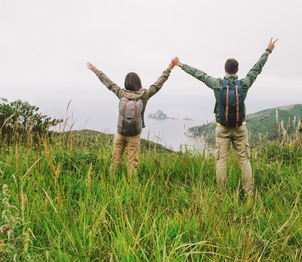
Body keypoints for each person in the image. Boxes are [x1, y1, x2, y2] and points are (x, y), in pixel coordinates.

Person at [171, 38, 278, 196]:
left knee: (222, 161)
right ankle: (249, 195)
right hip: (240, 128)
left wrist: (180, 64)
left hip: (222, 129)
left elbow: (199, 74)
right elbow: (256, 69)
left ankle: (221, 196)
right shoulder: (244, 84)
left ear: (225, 70)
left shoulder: (217, 84)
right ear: (237, 70)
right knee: (245, 161)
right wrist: (267, 51)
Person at [86, 61, 175, 177]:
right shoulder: (144, 95)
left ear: (126, 83)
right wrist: (169, 68)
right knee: (132, 164)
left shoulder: (121, 94)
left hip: (120, 132)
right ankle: (131, 188)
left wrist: (95, 70)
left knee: (115, 162)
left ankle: (111, 183)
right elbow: (157, 84)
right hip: (134, 134)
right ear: (139, 83)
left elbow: (108, 83)